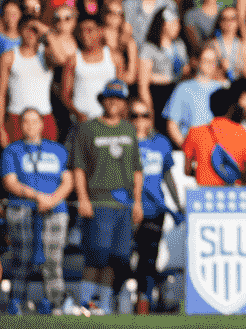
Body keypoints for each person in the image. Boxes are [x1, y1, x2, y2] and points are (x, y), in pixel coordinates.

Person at [71, 79, 143, 315]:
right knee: (96, 256)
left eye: (118, 98)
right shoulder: (87, 129)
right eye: (109, 97)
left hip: (124, 203)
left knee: (117, 258)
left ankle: (101, 305)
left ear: (124, 103)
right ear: (102, 100)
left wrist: (138, 201)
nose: (113, 102)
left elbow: (136, 169)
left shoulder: (129, 129)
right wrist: (82, 198)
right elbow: (79, 167)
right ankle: (86, 305)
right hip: (98, 201)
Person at [1, 108, 72, 315]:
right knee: (21, 258)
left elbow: (68, 181)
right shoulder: (12, 151)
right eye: (26, 122)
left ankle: (54, 302)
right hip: (22, 209)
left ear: (42, 124)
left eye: (34, 121)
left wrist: (51, 200)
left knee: (52, 260)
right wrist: (37, 196)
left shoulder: (58, 150)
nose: (30, 126)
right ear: (20, 125)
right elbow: (10, 182)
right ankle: (16, 302)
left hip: (55, 210)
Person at [129, 98, 178, 314]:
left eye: (145, 115)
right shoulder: (123, 141)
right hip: (127, 208)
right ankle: (107, 302)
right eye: (134, 115)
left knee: (149, 260)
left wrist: (177, 204)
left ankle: (143, 304)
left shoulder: (161, 143)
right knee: (120, 258)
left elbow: (167, 176)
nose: (140, 120)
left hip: (154, 209)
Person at [182, 83, 246, 186]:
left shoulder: (195, 132)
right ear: (232, 108)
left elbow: (187, 170)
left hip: (204, 194)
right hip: (231, 193)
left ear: (210, 107)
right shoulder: (244, 134)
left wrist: (204, 173)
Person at [0, 16, 56, 146]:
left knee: (47, 164)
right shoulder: (9, 56)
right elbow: (1, 94)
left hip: (44, 118)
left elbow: (61, 56)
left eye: (35, 30)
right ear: (20, 30)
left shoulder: (47, 54)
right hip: (15, 118)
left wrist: (45, 31)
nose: (31, 33)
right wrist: (0, 127)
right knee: (16, 163)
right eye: (27, 29)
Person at [164, 44, 224, 148]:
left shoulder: (222, 90)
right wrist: (186, 147)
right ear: (197, 62)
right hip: (192, 148)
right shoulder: (183, 88)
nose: (210, 64)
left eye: (213, 61)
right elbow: (172, 124)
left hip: (216, 150)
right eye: (206, 60)